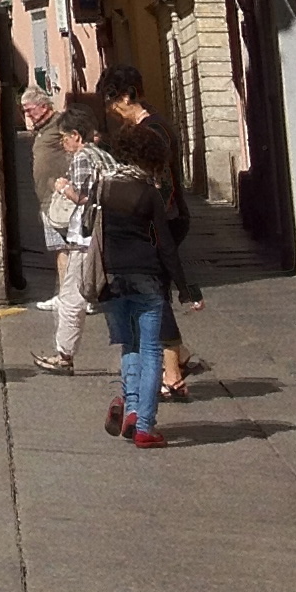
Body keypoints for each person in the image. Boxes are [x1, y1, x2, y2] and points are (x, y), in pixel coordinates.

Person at [88, 100, 193, 448]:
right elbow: (165, 246)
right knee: (151, 351)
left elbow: (90, 227)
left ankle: (131, 407)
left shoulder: (103, 187)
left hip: (113, 277)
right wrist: (186, 288)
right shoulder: (148, 192)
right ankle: (145, 426)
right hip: (146, 276)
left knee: (129, 346)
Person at [99, 64, 199, 397]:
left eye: (114, 102)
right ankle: (179, 357)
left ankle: (172, 374)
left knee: (156, 293)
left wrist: (150, 223)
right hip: (162, 218)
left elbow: (163, 184)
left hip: (162, 220)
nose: (112, 111)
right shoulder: (151, 123)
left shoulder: (153, 132)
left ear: (127, 96)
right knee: (156, 289)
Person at [31, 98, 102, 375]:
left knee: (71, 298)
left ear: (76, 136)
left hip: (84, 238)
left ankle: (64, 356)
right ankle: (176, 353)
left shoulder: (82, 157)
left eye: (65, 139)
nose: (63, 144)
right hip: (102, 236)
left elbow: (85, 198)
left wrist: (64, 188)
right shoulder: (103, 155)